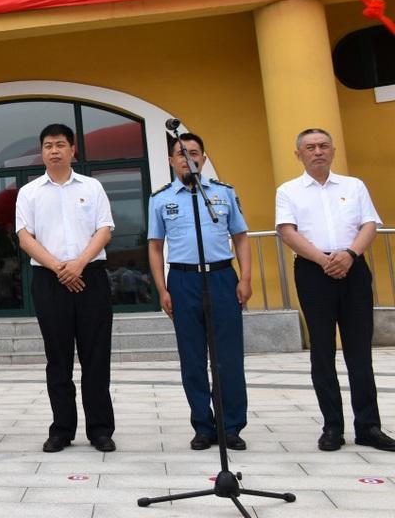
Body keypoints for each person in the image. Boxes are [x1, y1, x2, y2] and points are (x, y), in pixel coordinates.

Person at [276, 128, 395, 453]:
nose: (317, 151)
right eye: (310, 147)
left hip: (353, 267)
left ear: (332, 150)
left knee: (359, 351)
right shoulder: (288, 191)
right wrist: (323, 259)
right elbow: (287, 231)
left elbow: (370, 224)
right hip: (314, 272)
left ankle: (369, 425)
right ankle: (332, 427)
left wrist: (350, 254)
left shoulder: (354, 186)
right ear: (298, 154)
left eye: (323, 145)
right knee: (323, 351)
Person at [15, 124, 117, 453]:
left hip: (91, 276)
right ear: (41, 152)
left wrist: (78, 264)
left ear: (74, 150)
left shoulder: (92, 186)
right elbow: (24, 237)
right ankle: (62, 429)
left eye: (60, 144)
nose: (54, 150)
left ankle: (100, 429)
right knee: (57, 358)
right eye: (48, 145)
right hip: (49, 279)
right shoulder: (29, 192)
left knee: (96, 357)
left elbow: (104, 230)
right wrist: (60, 267)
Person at [147, 132, 252, 451]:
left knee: (229, 358)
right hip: (183, 281)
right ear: (170, 161)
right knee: (192, 358)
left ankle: (232, 425)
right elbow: (155, 247)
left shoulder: (223, 194)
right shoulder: (161, 199)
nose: (187, 158)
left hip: (221, 277)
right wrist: (162, 288)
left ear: (203, 158)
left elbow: (242, 238)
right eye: (180, 153)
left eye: (193, 152)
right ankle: (203, 425)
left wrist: (245, 278)